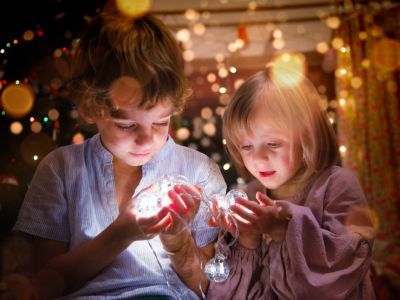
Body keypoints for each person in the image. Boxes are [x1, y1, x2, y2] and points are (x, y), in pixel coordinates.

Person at [1, 11, 226, 300]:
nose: (147, 139)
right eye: (126, 124)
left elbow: (207, 286)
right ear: (90, 109)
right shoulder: (60, 170)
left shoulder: (198, 171)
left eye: (161, 121)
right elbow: (45, 284)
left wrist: (178, 240)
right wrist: (121, 233)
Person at [207, 65, 375, 299]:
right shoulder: (247, 196)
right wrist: (246, 239)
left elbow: (333, 283)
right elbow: (226, 293)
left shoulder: (337, 186)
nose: (258, 158)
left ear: (308, 135)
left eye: (273, 144)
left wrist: (281, 229)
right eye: (246, 146)